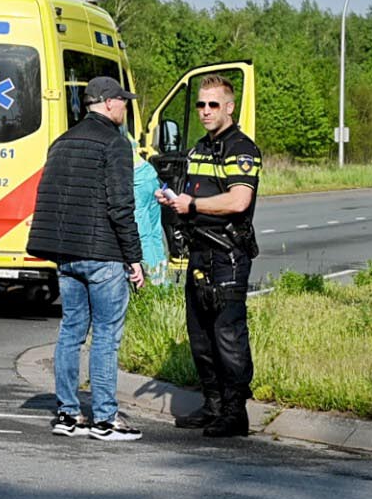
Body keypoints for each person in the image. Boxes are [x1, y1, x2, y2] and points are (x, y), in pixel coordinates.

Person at [27, 75, 145, 441]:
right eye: (123, 101)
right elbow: (121, 206)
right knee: (107, 337)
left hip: (68, 254)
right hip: (103, 254)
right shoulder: (115, 142)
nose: (126, 107)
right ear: (109, 103)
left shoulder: (61, 143)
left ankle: (67, 413)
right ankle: (106, 419)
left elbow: (51, 198)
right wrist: (134, 258)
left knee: (70, 334)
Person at [156, 73, 262, 438]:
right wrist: (173, 198)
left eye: (212, 104)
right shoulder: (200, 148)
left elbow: (239, 199)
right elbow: (189, 194)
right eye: (201, 104)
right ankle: (213, 405)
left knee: (227, 336)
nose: (204, 111)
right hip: (199, 253)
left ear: (229, 107)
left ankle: (235, 413)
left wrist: (194, 203)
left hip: (227, 255)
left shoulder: (241, 149)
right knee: (200, 335)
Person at [131, 146, 171, 285]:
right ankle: (163, 282)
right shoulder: (123, 134)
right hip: (150, 176)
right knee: (155, 234)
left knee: (144, 236)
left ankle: (152, 283)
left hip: (137, 182)